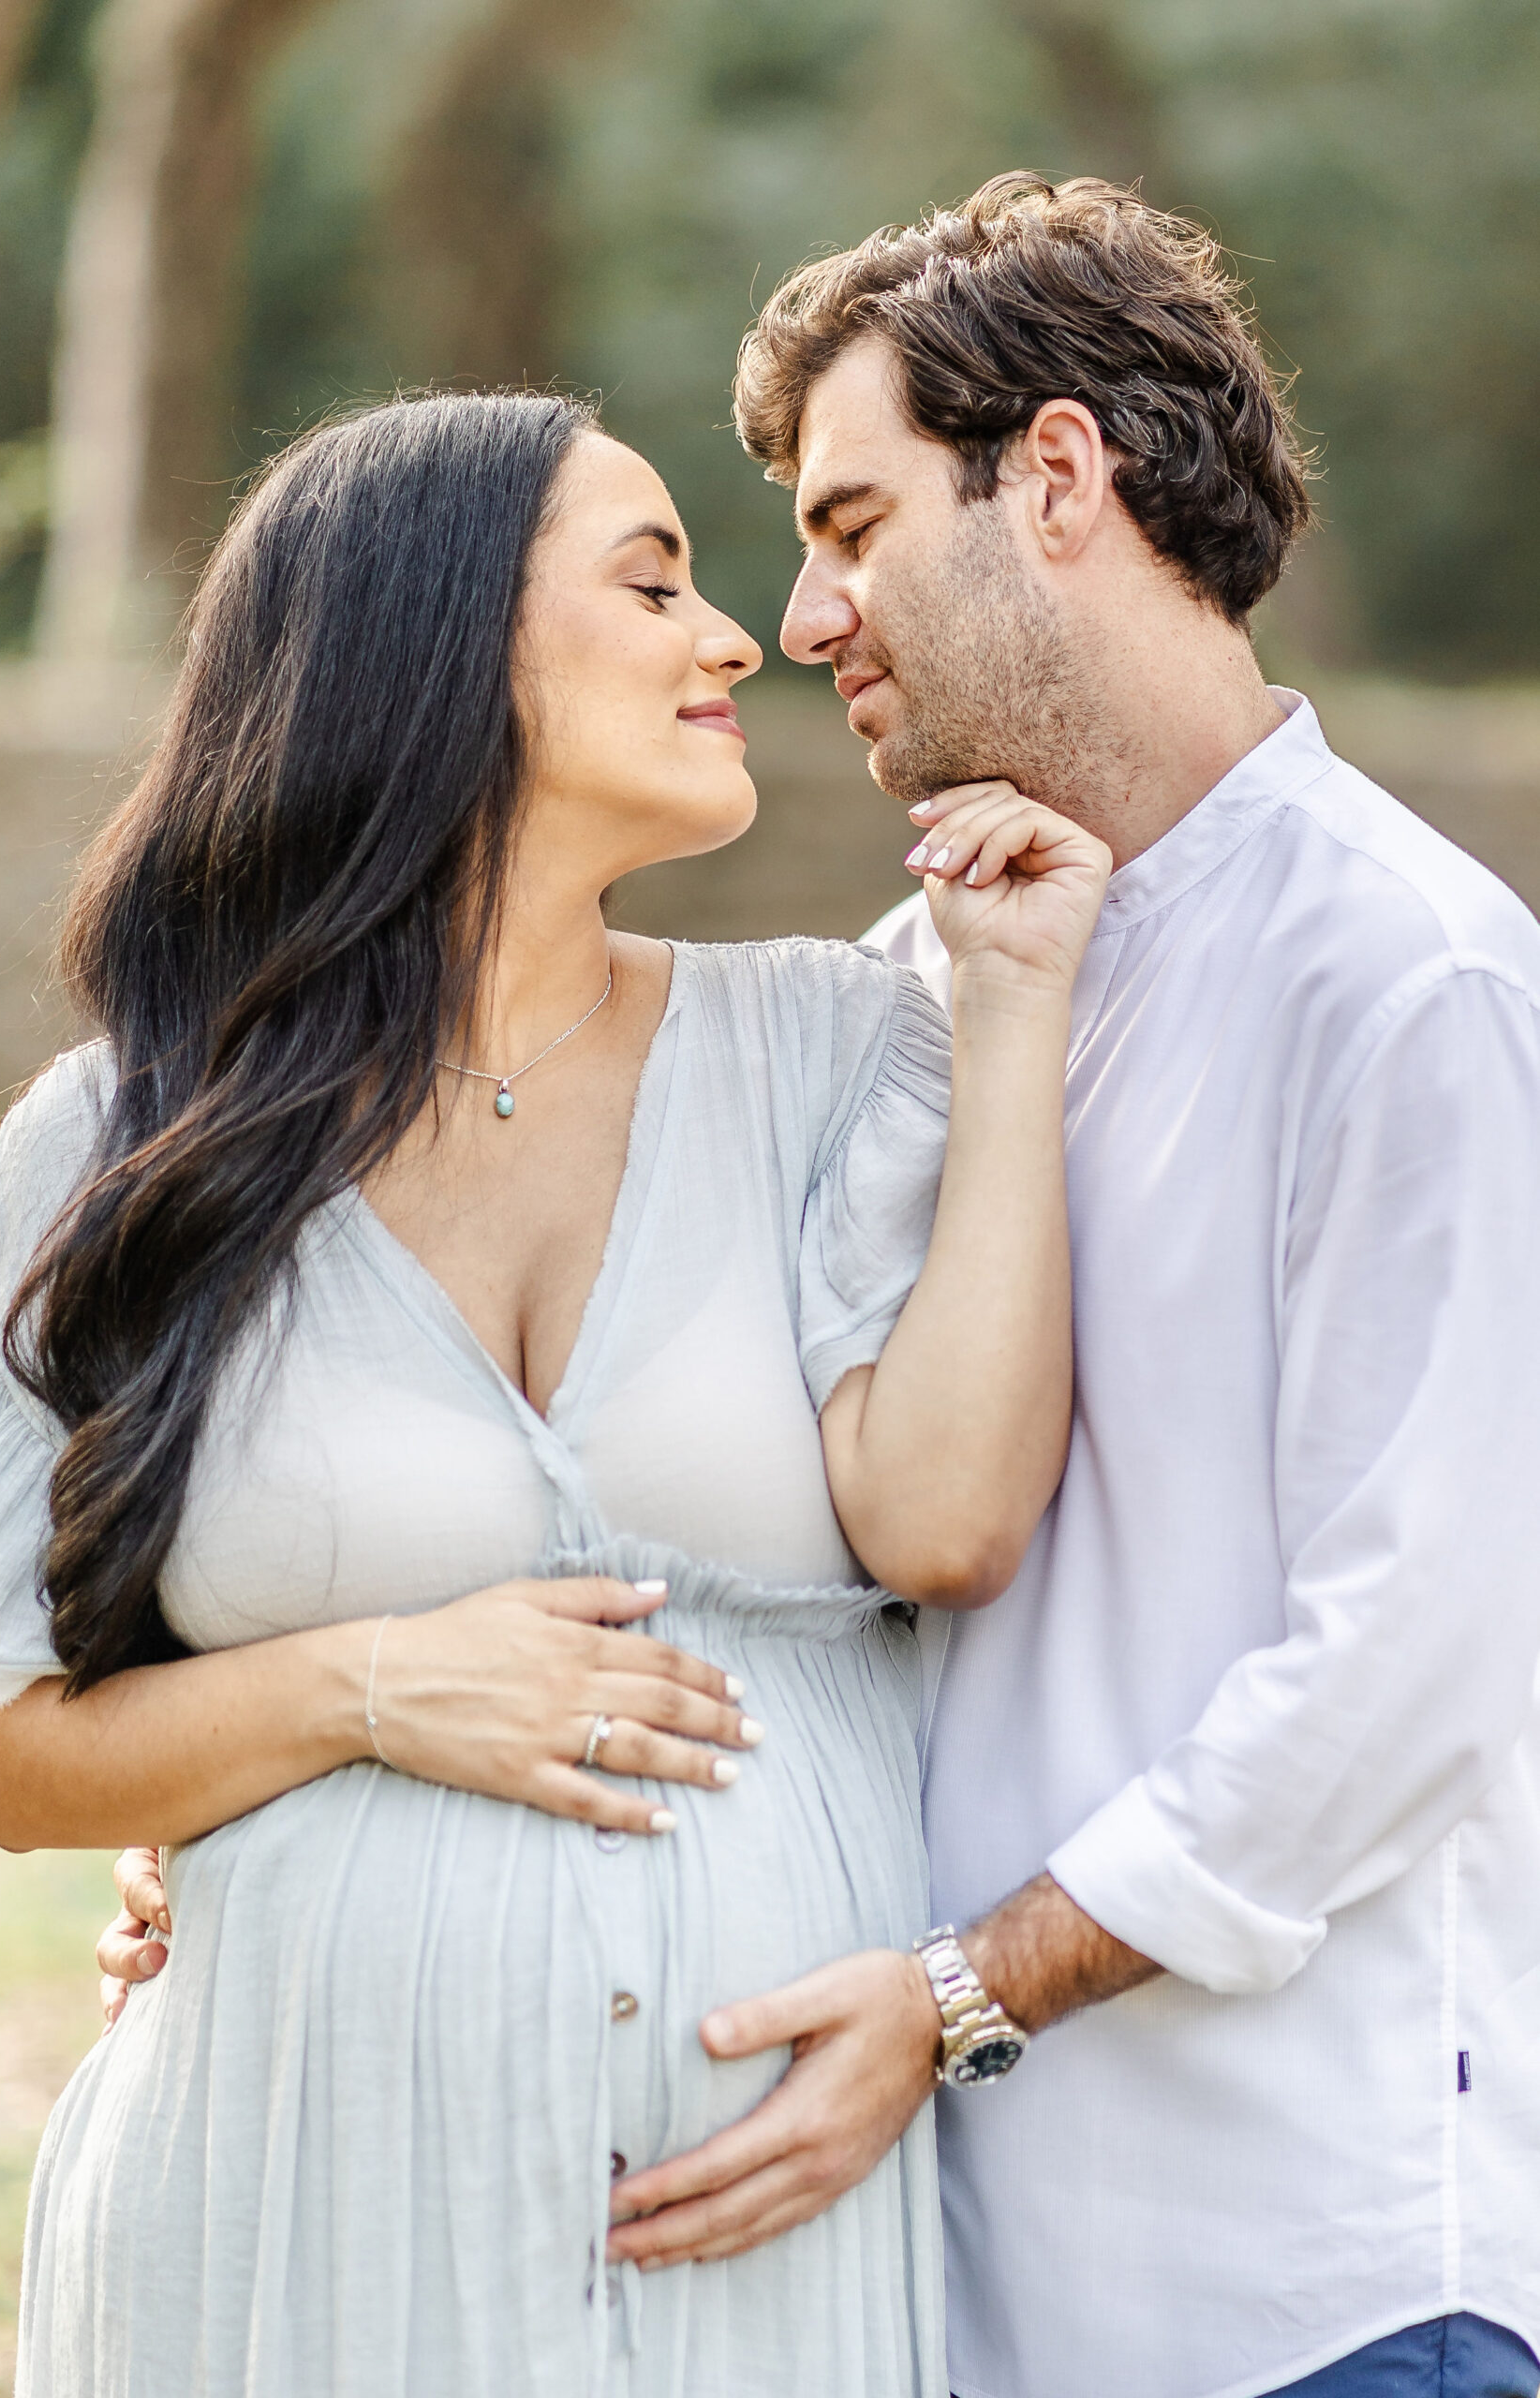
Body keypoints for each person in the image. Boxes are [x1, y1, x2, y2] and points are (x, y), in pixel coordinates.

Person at [0, 389, 1109, 2396]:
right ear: (426, 641)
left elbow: (954, 1514)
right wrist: (365, 1685)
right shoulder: (113, 1148)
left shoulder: (837, 1046)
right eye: (652, 581)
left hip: (752, 2240)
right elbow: (10, 1752)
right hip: (269, 2226)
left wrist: (1011, 1016)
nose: (734, 633)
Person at [589, 177, 1540, 2398]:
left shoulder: (1412, 984)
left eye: (847, 523)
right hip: (922, 2286)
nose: (801, 613)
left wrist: (957, 1992)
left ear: (1052, 475)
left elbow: (1410, 1663)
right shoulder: (904, 990)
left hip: (1305, 2291)